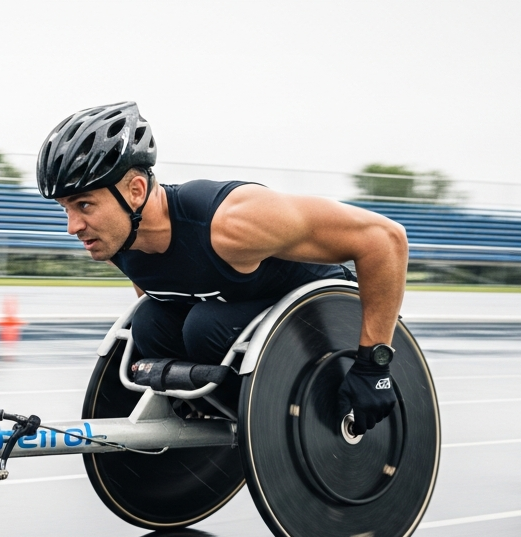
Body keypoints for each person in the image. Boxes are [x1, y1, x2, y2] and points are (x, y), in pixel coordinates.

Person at [36, 102, 409, 433]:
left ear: (135, 191)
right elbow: (161, 298)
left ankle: (298, 421)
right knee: (149, 321)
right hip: (253, 327)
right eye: (65, 209)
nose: (73, 226)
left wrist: (373, 366)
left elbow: (385, 238)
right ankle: (227, 421)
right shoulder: (119, 240)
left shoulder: (232, 221)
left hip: (335, 323)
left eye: (84, 205)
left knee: (205, 327)